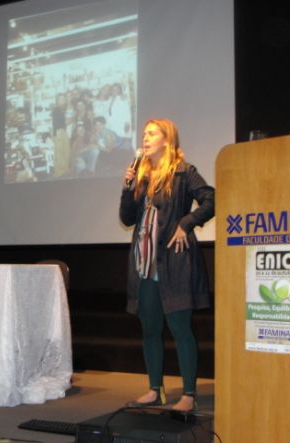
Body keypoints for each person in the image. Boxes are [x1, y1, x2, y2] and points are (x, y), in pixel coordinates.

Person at [119, 118, 215, 412]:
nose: (144, 138)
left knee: (179, 327)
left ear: (166, 139)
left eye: (151, 134)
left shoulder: (184, 172)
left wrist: (186, 223)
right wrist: (128, 187)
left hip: (174, 261)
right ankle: (154, 390)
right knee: (150, 328)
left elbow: (211, 199)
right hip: (145, 263)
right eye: (144, 134)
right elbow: (127, 219)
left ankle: (188, 394)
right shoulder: (142, 176)